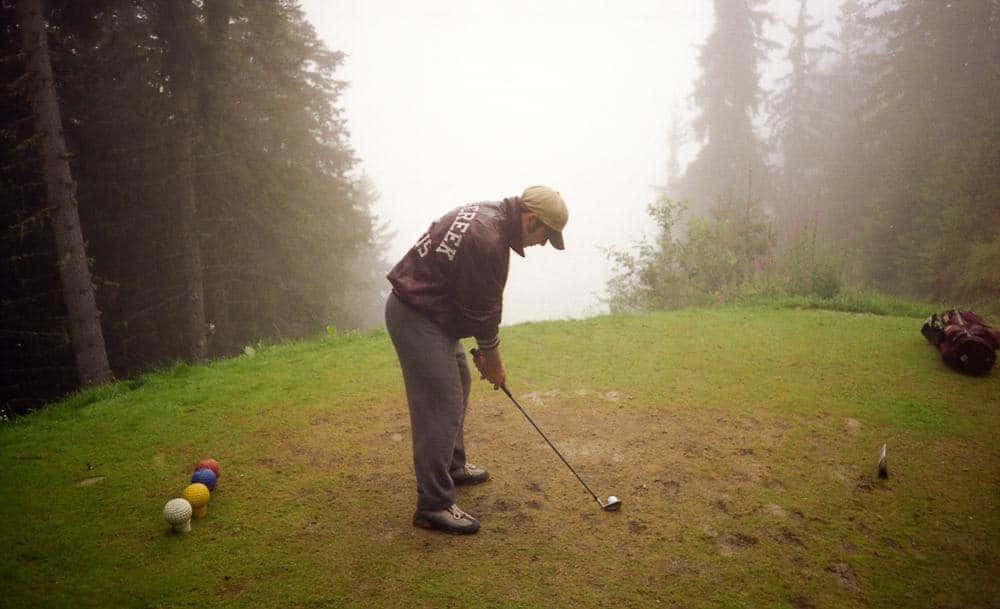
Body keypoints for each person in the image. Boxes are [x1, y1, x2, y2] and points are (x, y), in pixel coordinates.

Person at [384, 185, 568, 534]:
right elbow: (483, 314)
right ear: (531, 219)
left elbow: (475, 304)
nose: (544, 243)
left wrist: (485, 354)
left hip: (431, 312)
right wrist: (493, 362)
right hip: (416, 315)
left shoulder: (490, 217)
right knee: (442, 400)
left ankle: (453, 466)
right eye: (547, 234)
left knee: (461, 381)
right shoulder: (489, 240)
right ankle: (434, 504)